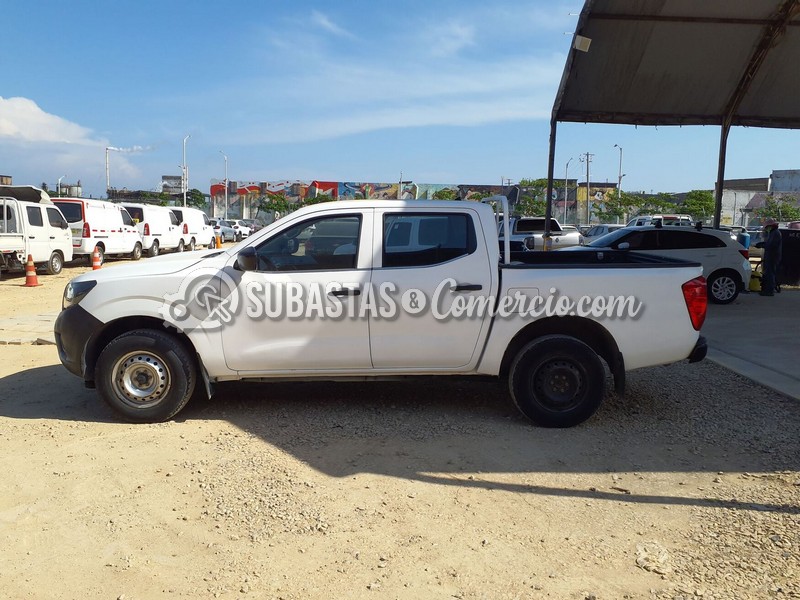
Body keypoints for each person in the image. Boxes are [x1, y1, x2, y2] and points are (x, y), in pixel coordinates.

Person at [755, 218, 782, 296]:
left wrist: (761, 245)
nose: (766, 228)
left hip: (773, 256)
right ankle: (767, 289)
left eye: (767, 227)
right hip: (771, 255)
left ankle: (769, 291)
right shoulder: (773, 233)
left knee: (770, 273)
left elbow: (771, 245)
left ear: (771, 226)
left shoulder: (775, 233)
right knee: (768, 273)